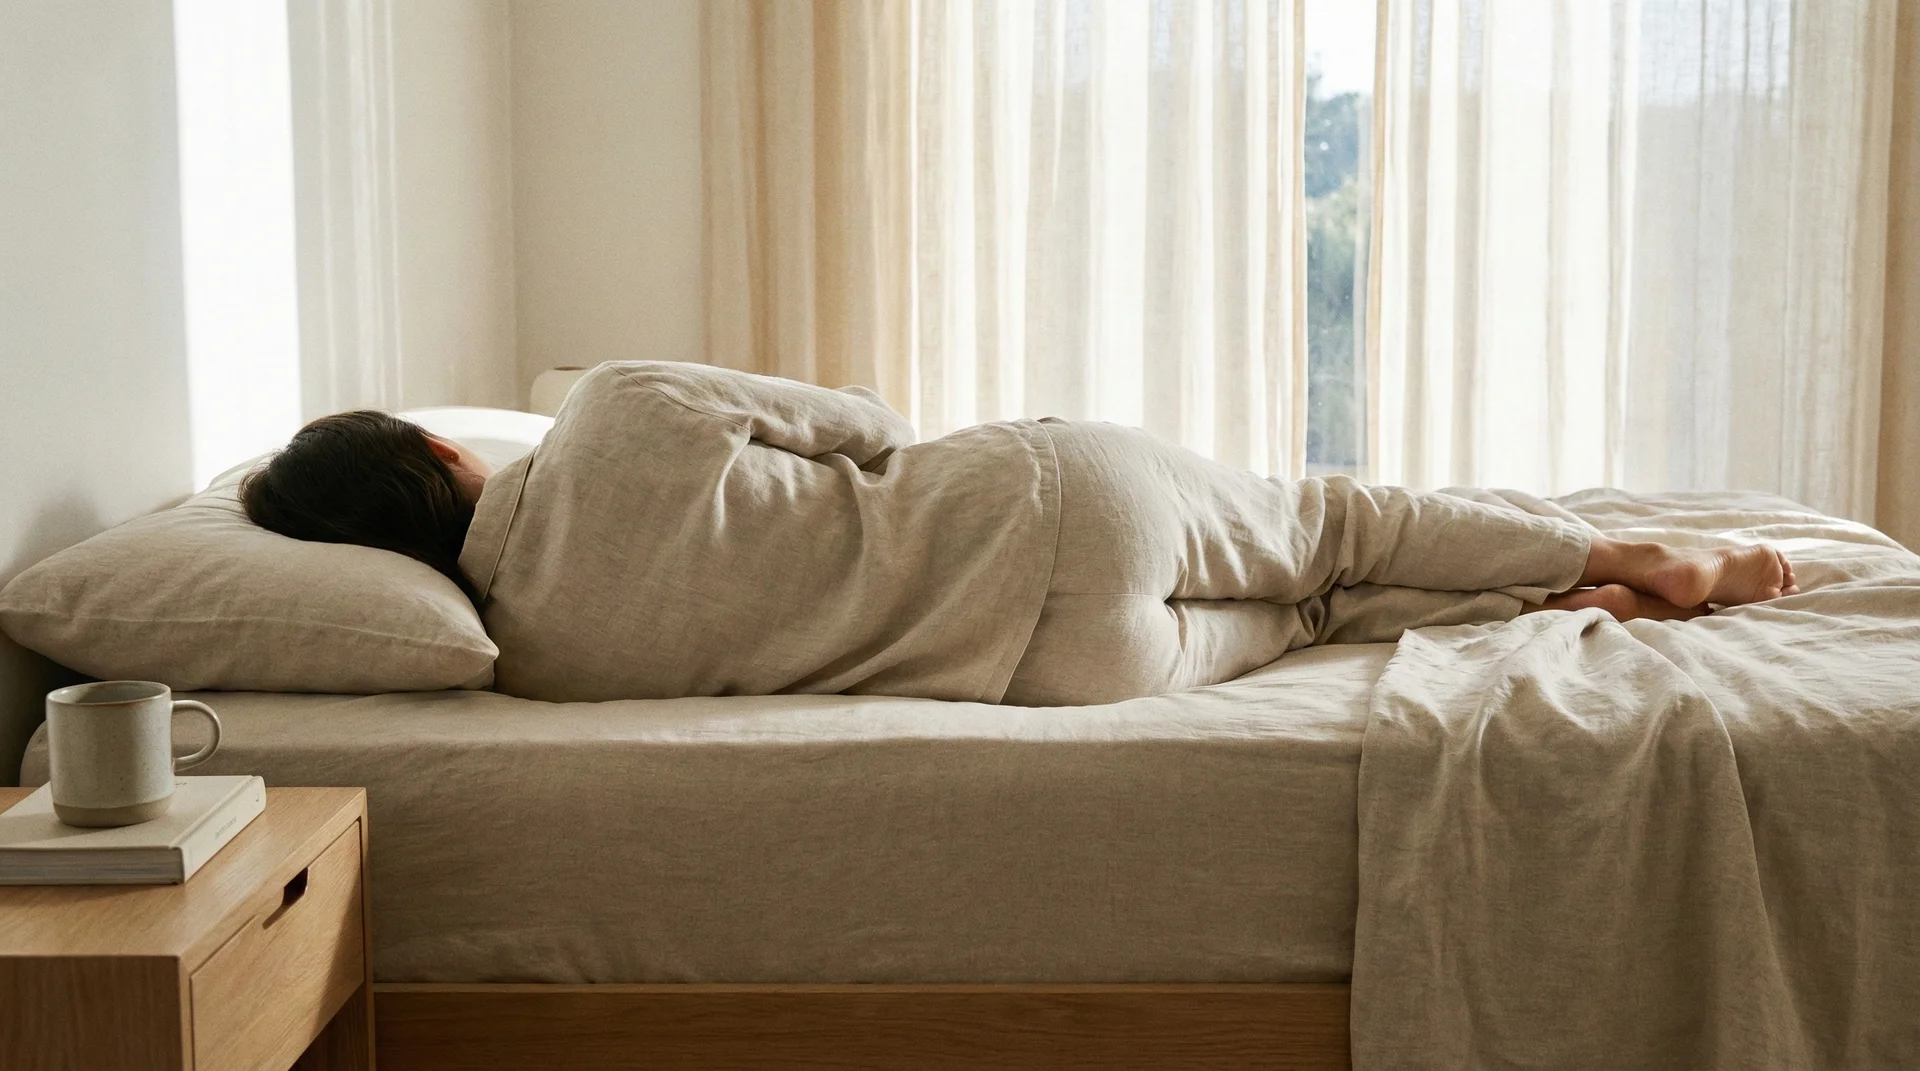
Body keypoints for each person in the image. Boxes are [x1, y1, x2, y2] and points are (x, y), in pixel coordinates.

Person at [242, 362, 1796, 706]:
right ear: (442, 447)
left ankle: (1579, 589)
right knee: (1330, 520)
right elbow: (859, 422)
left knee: (1318, 622)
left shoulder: (528, 659)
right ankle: (1608, 556)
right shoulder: (616, 412)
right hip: (1045, 506)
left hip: (1058, 668)